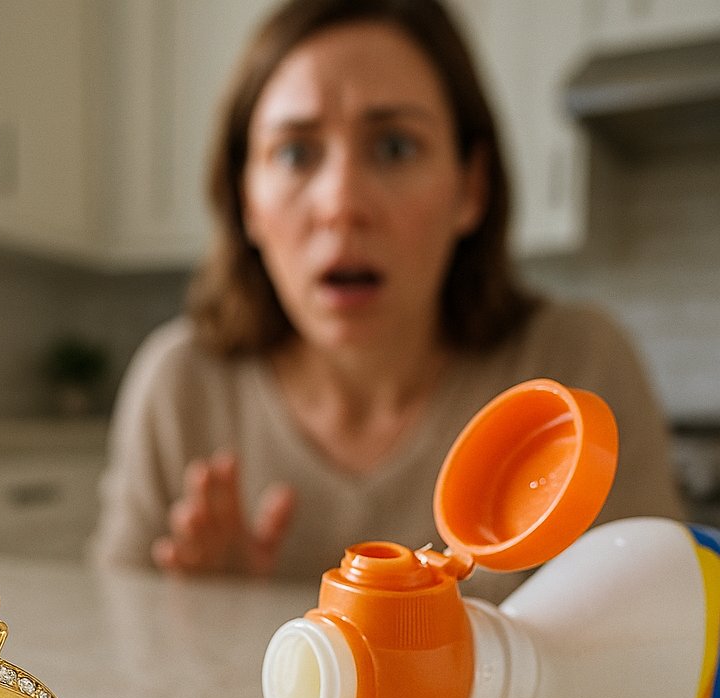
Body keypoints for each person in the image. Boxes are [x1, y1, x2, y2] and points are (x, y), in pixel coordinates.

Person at [91, 0, 683, 601]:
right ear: (246, 198)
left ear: (470, 188)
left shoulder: (578, 366)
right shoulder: (180, 387)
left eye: (395, 147)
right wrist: (208, 613)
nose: (342, 203)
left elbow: (661, 645)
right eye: (295, 152)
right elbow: (117, 651)